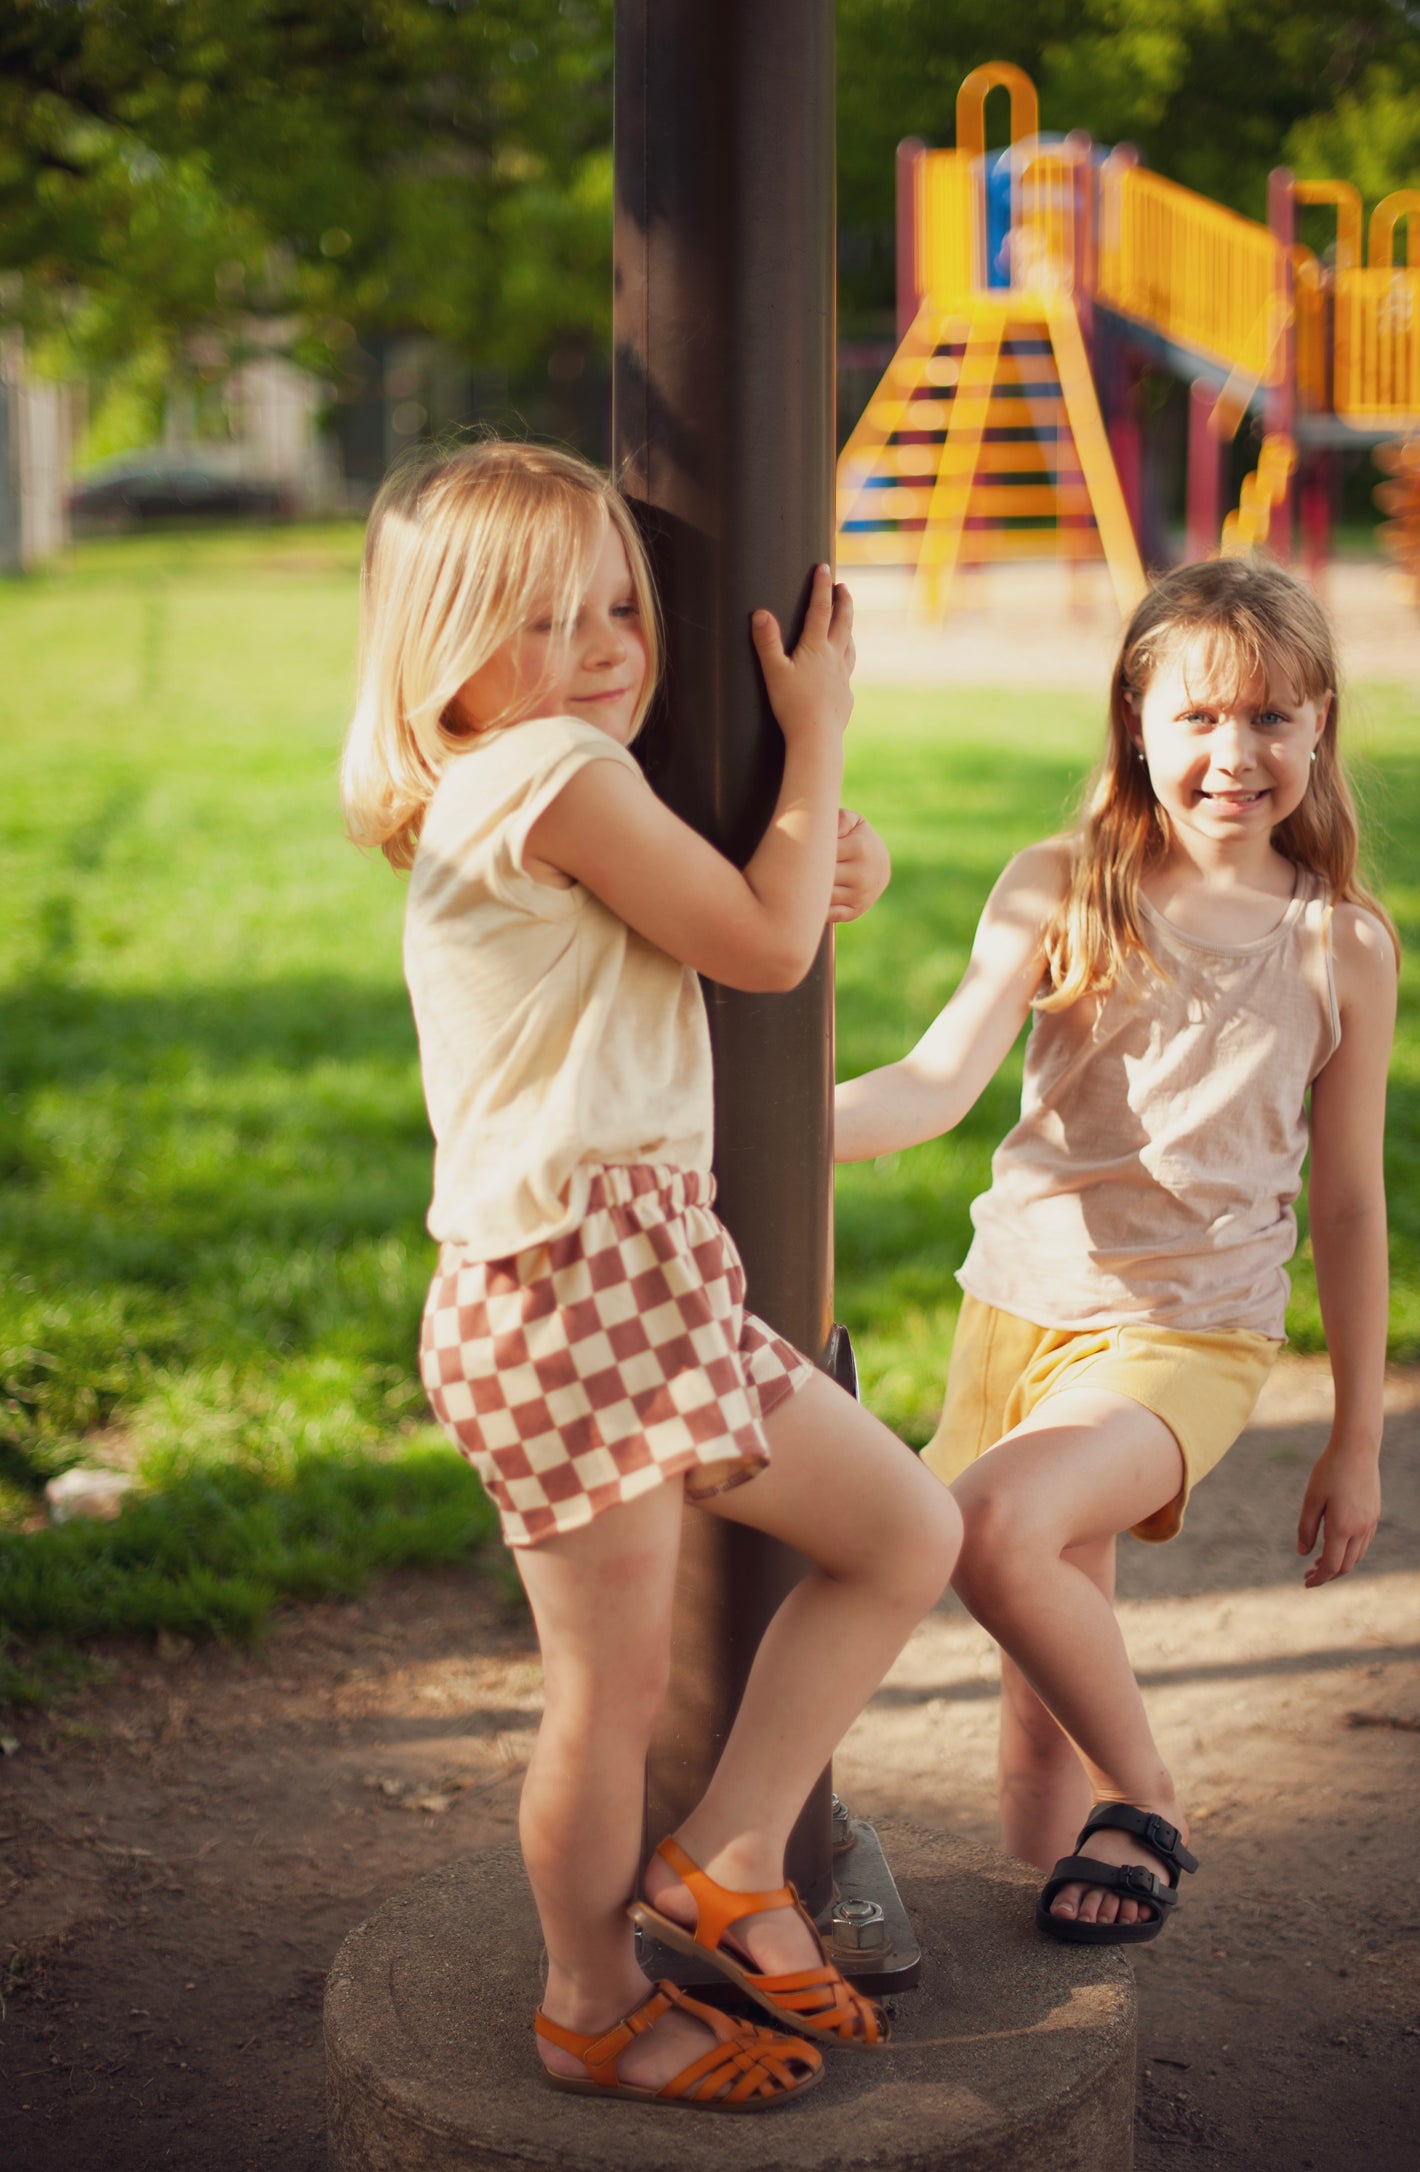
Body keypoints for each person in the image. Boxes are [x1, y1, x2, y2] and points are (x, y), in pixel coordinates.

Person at [340, 440, 962, 2108]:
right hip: (563, 1294)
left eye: (622, 600)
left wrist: (830, 844)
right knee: (603, 1701)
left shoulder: (540, 779)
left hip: (636, 1282)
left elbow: (759, 903)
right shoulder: (546, 766)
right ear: (449, 659)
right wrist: (818, 731)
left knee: (907, 1529)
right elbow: (764, 947)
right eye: (546, 618)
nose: (608, 643)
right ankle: (589, 2003)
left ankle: (731, 1853)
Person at [835, 558, 1398, 1946]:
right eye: (1198, 717)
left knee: (991, 1529)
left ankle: (1143, 1799)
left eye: (1270, 717)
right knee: (1030, 1699)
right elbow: (929, 1083)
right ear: (1132, 722)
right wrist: (769, 1132)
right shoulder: (1058, 887)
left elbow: (1348, 1203)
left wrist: (1355, 1437)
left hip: (1185, 1335)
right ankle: (1045, 1969)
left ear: (1319, 726)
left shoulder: (1339, 949)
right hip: (1014, 1314)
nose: (1233, 752)